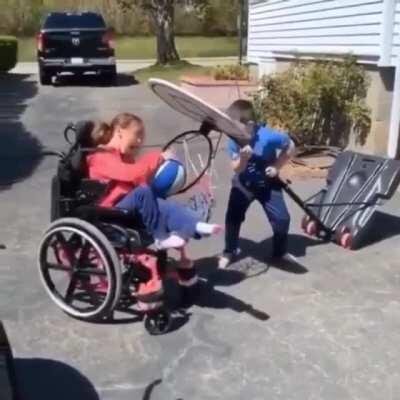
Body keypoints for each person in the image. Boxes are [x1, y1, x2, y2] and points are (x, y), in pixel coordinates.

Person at [86, 113, 222, 304]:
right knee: (144, 192)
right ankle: (161, 237)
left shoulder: (124, 158)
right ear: (119, 131)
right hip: (110, 214)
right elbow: (132, 175)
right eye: (137, 135)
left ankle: (197, 225)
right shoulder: (101, 156)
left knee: (163, 204)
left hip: (128, 210)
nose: (140, 141)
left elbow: (140, 178)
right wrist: (158, 157)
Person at [218, 100, 296, 269]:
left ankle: (280, 252)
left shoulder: (269, 136)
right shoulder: (234, 139)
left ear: (250, 124)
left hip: (268, 184)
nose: (232, 129)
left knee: (283, 219)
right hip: (243, 183)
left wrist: (276, 166)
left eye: (235, 125)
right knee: (233, 217)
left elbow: (290, 146)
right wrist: (243, 158)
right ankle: (230, 250)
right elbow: (236, 169)